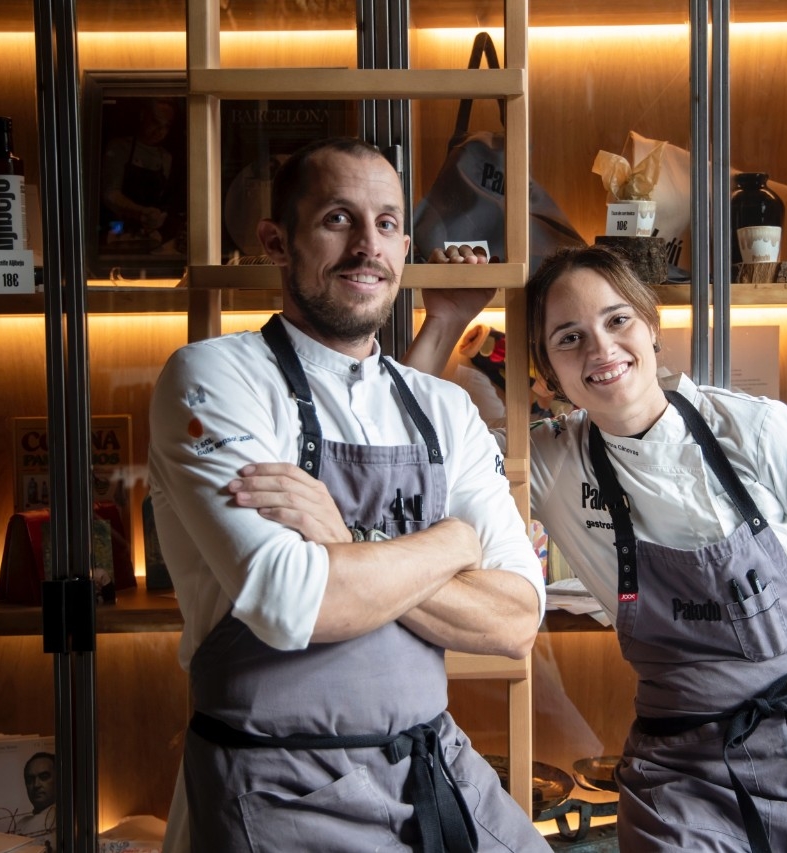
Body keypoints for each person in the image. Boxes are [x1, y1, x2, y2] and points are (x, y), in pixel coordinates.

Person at [254, 243, 787, 851]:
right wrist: (449, 317)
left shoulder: (753, 429)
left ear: (651, 325)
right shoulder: (554, 462)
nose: (600, 348)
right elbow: (405, 448)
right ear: (548, 372)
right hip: (679, 764)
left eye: (617, 321)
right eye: (569, 338)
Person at [147, 137, 548, 853]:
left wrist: (347, 543)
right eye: (339, 219)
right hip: (278, 785)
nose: (370, 245)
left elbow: (515, 618)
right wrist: (456, 540)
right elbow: (293, 599)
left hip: (433, 769)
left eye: (388, 223)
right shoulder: (212, 378)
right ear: (277, 241)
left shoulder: (441, 406)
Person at [100, 97, 184, 255]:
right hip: (117, 233)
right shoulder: (119, 148)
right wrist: (141, 211)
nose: (159, 131)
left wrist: (158, 217)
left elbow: (165, 199)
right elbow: (110, 194)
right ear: (143, 115)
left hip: (150, 236)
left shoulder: (165, 157)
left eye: (166, 126)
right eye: (155, 122)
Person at [14, 752, 56, 852]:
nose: (36, 785)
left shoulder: (68, 819)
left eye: (44, 777)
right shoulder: (21, 825)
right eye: (30, 780)